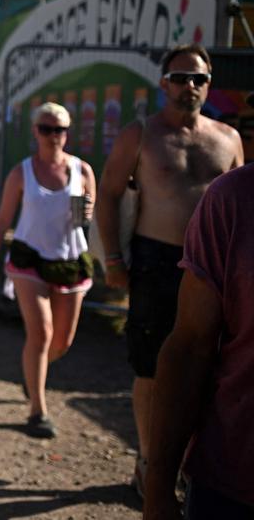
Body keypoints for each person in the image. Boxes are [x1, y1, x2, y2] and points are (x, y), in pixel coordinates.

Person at [96, 43, 243, 495]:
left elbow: (243, 204)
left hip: (213, 270)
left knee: (213, 367)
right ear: (164, 83)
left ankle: (192, 460)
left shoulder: (228, 139)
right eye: (180, 78)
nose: (189, 87)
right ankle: (148, 459)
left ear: (209, 85)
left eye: (198, 79)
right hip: (156, 261)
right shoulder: (141, 135)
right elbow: (108, 195)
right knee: (151, 368)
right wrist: (114, 260)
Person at [144, 154, 254, 519]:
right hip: (234, 480)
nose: (188, 90)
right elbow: (190, 345)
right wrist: (158, 488)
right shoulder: (234, 198)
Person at [0, 102, 96, 439]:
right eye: (46, 128)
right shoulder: (22, 172)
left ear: (67, 132)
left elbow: (92, 216)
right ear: (35, 131)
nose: (53, 136)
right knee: (41, 334)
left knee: (62, 341)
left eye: (59, 129)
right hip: (28, 259)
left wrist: (88, 213)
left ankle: (33, 374)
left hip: (70, 260)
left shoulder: (82, 171)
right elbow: (3, 220)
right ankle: (37, 411)